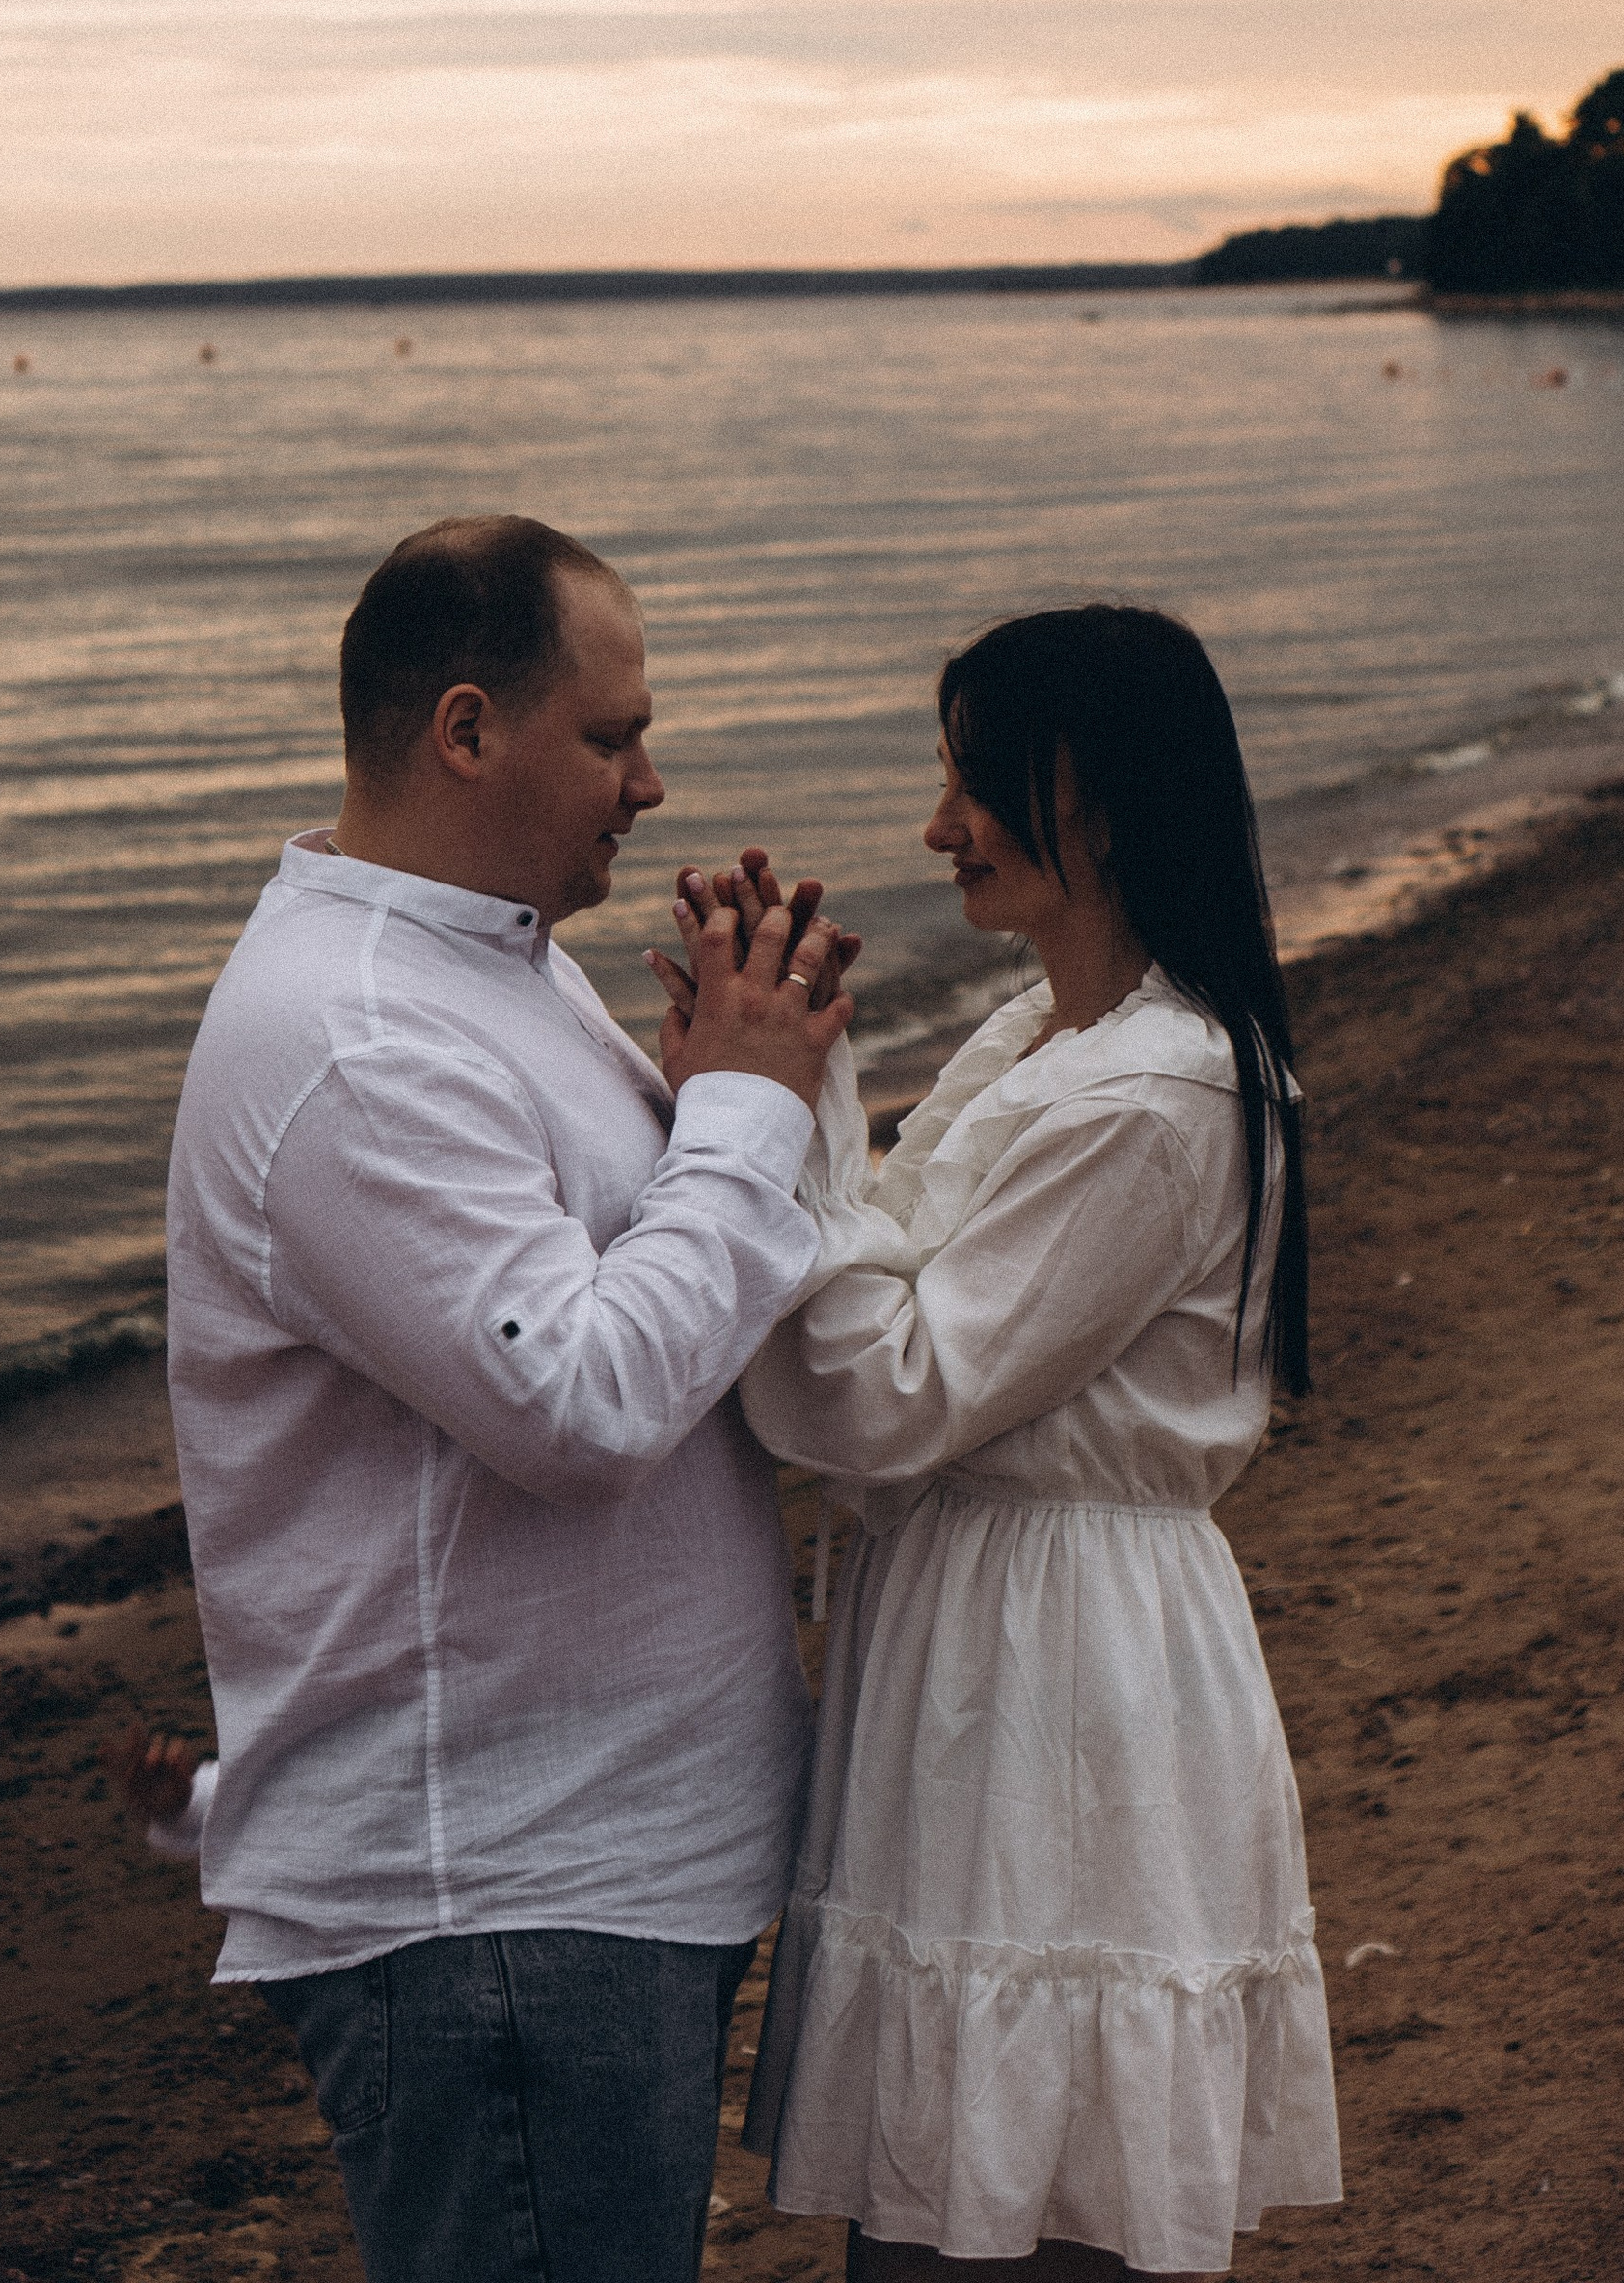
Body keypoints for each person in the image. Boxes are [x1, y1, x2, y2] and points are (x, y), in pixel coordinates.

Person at [152, 512, 857, 2283]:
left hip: (587, 1873)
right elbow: (586, 1397)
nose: (653, 782)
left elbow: (661, 1301)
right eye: (612, 738)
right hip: (501, 1907)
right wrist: (745, 1115)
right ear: (466, 732)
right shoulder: (359, 1036)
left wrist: (738, 1087)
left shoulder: (497, 961)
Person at [663, 603, 1342, 2283]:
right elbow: (892, 1272)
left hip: (1052, 1664)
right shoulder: (1046, 1039)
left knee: (1017, 2202)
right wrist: (794, 1084)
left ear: (1095, 801)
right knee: (951, 2189)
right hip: (990, 1635)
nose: (937, 825)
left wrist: (765, 1106)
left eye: (975, 782)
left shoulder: (1151, 1097)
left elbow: (877, 1399)